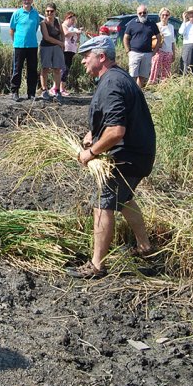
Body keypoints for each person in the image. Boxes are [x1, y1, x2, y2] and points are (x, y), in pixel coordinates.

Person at [67, 35, 156, 279]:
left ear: (102, 57)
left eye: (87, 56)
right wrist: (94, 133)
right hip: (139, 155)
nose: (83, 61)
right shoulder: (117, 77)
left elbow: (117, 131)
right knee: (124, 200)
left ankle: (97, 265)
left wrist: (91, 152)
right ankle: (145, 247)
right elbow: (115, 119)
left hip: (127, 157)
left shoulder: (112, 83)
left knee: (102, 204)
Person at [9, 0, 42, 102]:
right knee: (17, 69)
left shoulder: (35, 14)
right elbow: (12, 29)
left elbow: (35, 28)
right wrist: (16, 41)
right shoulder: (17, 14)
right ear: (22, 1)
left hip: (32, 46)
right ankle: (15, 92)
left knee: (32, 70)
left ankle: (31, 93)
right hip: (19, 46)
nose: (26, 1)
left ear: (32, 0)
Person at [123, 4, 162, 89]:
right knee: (132, 75)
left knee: (142, 76)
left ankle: (138, 92)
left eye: (144, 12)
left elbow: (159, 38)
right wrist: (128, 51)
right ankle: (131, 92)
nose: (142, 14)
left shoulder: (152, 24)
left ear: (147, 13)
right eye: (140, 13)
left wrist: (154, 52)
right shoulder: (132, 23)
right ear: (137, 13)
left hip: (147, 54)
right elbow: (125, 38)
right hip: (134, 53)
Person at [39, 3, 66, 102]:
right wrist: (60, 43)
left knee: (57, 69)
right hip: (46, 47)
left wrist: (63, 43)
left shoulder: (58, 21)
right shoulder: (43, 23)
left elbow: (62, 33)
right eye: (47, 11)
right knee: (45, 68)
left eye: (51, 11)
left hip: (57, 48)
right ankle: (44, 90)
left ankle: (57, 90)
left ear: (55, 11)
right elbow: (47, 37)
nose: (49, 13)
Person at [149, 7, 176, 84]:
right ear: (160, 15)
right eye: (163, 15)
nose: (164, 17)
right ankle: (151, 84)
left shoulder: (171, 27)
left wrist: (174, 53)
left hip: (168, 51)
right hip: (158, 51)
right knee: (155, 69)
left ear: (169, 16)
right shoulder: (156, 25)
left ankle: (164, 86)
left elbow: (172, 41)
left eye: (166, 15)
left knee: (166, 71)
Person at [60, 11, 82, 96]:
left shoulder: (73, 28)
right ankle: (61, 89)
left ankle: (62, 87)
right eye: (72, 20)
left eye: (74, 20)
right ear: (67, 18)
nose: (73, 22)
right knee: (64, 68)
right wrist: (76, 32)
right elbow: (66, 34)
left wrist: (78, 35)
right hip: (66, 49)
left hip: (72, 49)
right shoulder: (64, 25)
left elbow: (77, 40)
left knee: (67, 68)